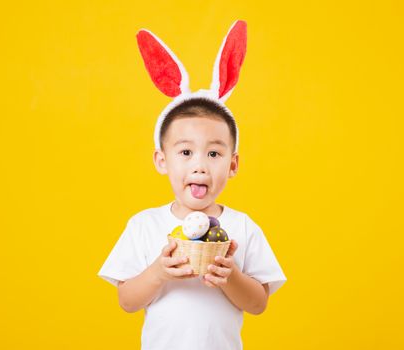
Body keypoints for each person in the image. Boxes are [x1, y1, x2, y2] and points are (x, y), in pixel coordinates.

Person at [98, 20, 286, 350]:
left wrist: (232, 277)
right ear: (161, 161)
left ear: (232, 165)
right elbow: (126, 300)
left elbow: (258, 304)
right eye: (185, 151)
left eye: (214, 153)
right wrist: (158, 272)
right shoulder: (144, 225)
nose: (199, 164)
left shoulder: (242, 227)